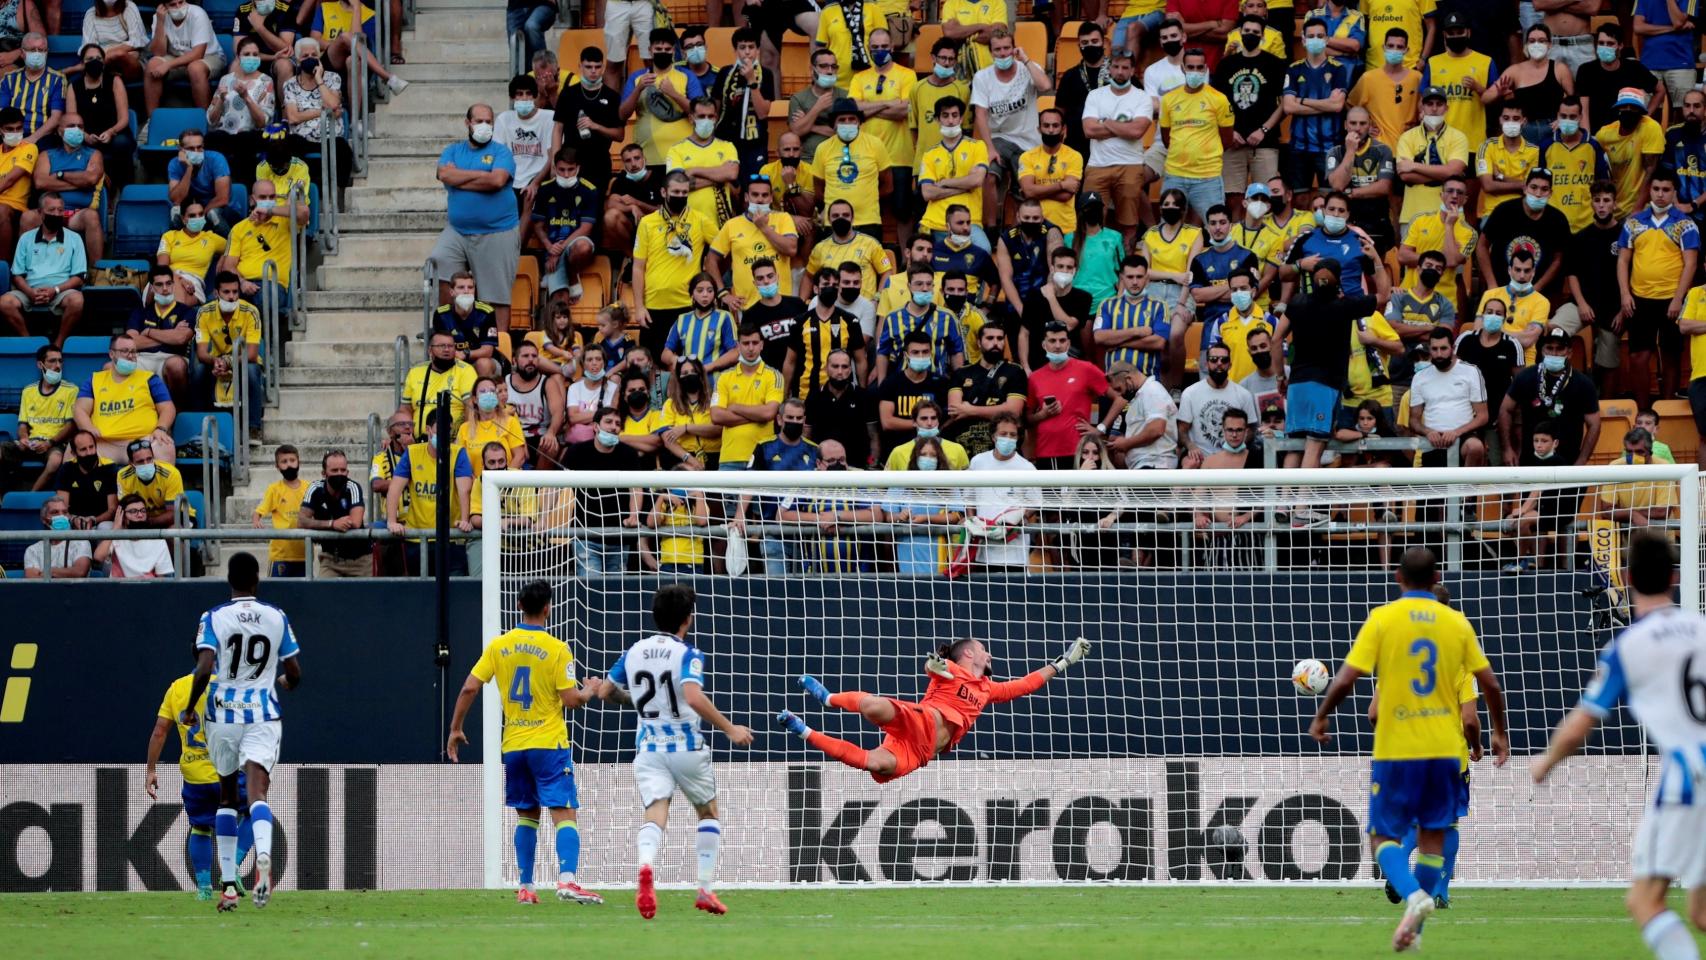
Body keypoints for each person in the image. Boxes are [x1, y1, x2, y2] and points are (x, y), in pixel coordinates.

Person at [1309, 546, 1508, 953]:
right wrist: (1499, 731)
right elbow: (1490, 684)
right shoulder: (1457, 624)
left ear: (1397, 578)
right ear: (1436, 579)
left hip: (1398, 750)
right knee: (1436, 836)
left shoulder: (1384, 619)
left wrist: (1323, 715)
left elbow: (1347, 680)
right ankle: (1422, 909)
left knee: (1382, 837)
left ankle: (1413, 895)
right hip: (1443, 753)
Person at [1532, 532, 1706, 960]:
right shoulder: (1702, 629)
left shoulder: (1628, 646)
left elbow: (1580, 726)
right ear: (1674, 577)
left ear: (1626, 577)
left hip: (1689, 778)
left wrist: (1544, 763)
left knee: (1644, 901)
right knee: (1701, 911)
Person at [591, 584, 752, 918]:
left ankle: (646, 866)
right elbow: (692, 697)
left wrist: (625, 697)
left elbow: (606, 691)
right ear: (687, 619)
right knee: (707, 813)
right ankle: (705, 889)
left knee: (656, 812)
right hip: (686, 746)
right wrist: (729, 728)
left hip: (649, 749)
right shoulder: (688, 654)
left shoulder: (633, 651)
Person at [445, 578, 601, 905]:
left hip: (514, 746)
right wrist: (591, 690)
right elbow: (571, 700)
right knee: (564, 811)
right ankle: (568, 880)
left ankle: (526, 886)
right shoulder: (558, 649)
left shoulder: (499, 646)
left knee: (527, 815)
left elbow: (469, 688)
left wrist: (456, 728)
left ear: (518, 606)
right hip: (548, 744)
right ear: (548, 608)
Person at [779, 636, 1092, 783]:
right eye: (984, 650)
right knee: (874, 705)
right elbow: (933, 668)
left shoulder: (987, 690)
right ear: (969, 653)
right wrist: (934, 665)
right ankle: (829, 698)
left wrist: (1062, 663)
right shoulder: (952, 670)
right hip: (921, 720)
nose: (990, 654)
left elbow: (1024, 685)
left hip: (920, 751)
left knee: (875, 764)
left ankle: (803, 730)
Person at [182, 552, 302, 910]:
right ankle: (263, 859)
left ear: (230, 580)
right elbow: (294, 671)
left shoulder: (213, 617)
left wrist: (190, 707)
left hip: (222, 716)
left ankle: (230, 884)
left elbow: (204, 668)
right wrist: (283, 681)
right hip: (263, 714)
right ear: (257, 579)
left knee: (226, 798)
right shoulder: (276, 616)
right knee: (257, 793)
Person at [146, 665, 255, 901]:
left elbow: (159, 731)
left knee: (200, 828)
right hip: (226, 770)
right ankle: (232, 867)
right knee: (255, 812)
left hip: (194, 773)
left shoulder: (177, 688)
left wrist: (151, 769)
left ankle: (204, 888)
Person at [1273, 256, 1381, 476]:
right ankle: (1302, 507)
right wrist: (1377, 262)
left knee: (1295, 445)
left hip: (1297, 384)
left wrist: (1279, 377)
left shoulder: (1297, 302)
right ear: (1338, 280)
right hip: (1324, 386)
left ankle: (1283, 506)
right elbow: (1384, 295)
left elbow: (1275, 340)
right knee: (1314, 447)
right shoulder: (1345, 306)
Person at [433, 104, 521, 338]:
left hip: (496, 230)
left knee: (496, 294)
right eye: (479, 121)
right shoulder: (452, 151)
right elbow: (444, 174)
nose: (484, 126)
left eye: (488, 121)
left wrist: (459, 178)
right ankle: (446, 333)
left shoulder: (502, 152)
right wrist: (483, 175)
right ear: (468, 123)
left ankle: (498, 347)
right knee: (441, 263)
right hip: (458, 230)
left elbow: (497, 181)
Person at [1618, 168, 1700, 410]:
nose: (1660, 195)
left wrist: (1678, 299)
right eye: (1656, 189)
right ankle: (1644, 413)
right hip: (1639, 299)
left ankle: (1666, 409)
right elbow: (1622, 260)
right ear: (1650, 191)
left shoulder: (1685, 224)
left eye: (1666, 190)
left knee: (1671, 356)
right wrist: (1624, 294)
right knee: (1638, 357)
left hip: (1671, 300)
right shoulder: (1633, 223)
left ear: (1674, 192)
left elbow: (1691, 263)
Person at [632, 171, 714, 358]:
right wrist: (638, 306)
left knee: (688, 365)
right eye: (675, 192)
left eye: (684, 193)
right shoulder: (647, 223)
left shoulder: (700, 220)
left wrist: (709, 274)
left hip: (688, 306)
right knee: (655, 366)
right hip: (654, 307)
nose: (680, 197)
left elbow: (720, 251)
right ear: (663, 192)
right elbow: (638, 267)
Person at [385, 412, 474, 575]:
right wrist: (391, 521)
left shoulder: (458, 453)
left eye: (448, 430)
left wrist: (464, 520)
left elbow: (464, 489)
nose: (445, 435)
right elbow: (395, 488)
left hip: (451, 540)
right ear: (428, 430)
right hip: (417, 540)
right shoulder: (412, 453)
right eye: (440, 430)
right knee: (420, 594)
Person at [1500, 326, 1602, 465]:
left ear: (1569, 353)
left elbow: (1594, 424)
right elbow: (1505, 409)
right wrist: (1507, 449)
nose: (1554, 353)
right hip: (1530, 462)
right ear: (1542, 351)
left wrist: (1582, 460)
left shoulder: (1583, 383)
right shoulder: (1526, 376)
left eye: (1560, 349)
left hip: (1568, 464)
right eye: (1549, 348)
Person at [1158, 48, 1234, 221]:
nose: (1195, 71)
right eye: (1190, 67)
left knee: (1217, 227)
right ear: (1183, 68)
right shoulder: (1169, 99)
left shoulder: (1219, 99)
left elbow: (1227, 140)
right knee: (1167, 227)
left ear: (1206, 69)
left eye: (1199, 68)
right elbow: (1166, 138)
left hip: (1208, 177)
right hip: (1175, 175)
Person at [75, 333, 177, 464]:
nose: (131, 355)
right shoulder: (95, 379)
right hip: (104, 443)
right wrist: (88, 427)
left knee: (165, 446)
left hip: (143, 442)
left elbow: (168, 407)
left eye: (133, 351)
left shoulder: (149, 378)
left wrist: (161, 428)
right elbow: (80, 409)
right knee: (72, 452)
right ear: (112, 354)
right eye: (125, 351)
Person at [1283, 18, 1354, 205]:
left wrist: (1303, 100)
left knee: (1328, 201)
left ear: (1327, 39)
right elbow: (1289, 107)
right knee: (1300, 201)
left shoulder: (1339, 69)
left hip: (1329, 147)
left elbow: (1337, 106)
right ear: (1304, 40)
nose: (1316, 39)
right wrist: (1325, 104)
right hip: (1299, 147)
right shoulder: (1293, 69)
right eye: (1311, 36)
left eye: (1320, 36)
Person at [3, 192, 86, 346]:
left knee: (77, 300)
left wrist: (54, 290)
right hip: (29, 290)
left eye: (60, 210)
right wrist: (29, 292)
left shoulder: (74, 239)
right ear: (40, 213)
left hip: (60, 291)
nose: (56, 214)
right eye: (51, 210)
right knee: (5, 302)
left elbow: (79, 277)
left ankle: (58, 344)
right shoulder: (26, 238)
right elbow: (17, 275)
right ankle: (28, 342)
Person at [1027, 321, 1110, 469]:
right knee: (1052, 493)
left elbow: (1119, 398)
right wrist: (1043, 414)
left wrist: (1100, 428)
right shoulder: (1034, 377)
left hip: (1080, 450)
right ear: (1043, 344)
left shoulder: (1086, 369)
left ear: (1068, 344)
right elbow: (1026, 419)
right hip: (1046, 450)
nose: (1058, 346)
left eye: (1062, 340)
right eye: (1052, 341)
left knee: (1079, 493)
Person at [707, 179, 799, 310]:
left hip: (782, 303)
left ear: (771, 198)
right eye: (755, 195)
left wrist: (763, 227)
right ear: (746, 197)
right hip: (746, 306)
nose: (760, 200)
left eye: (765, 195)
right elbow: (711, 260)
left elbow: (791, 249)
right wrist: (722, 293)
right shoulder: (732, 225)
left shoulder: (783, 218)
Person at [1478, 167, 1570, 293]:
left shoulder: (1558, 220)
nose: (1538, 194)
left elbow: (1558, 260)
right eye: (1533, 187)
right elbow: (1482, 246)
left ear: (1550, 193)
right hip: (1501, 289)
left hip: (1540, 294)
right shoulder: (1504, 211)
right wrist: (1492, 284)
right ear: (1525, 188)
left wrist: (1535, 290)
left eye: (1544, 189)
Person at [28, 113, 106, 259]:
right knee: (27, 217)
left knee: (91, 216)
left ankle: (97, 273)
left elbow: (91, 179)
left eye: (80, 127)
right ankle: (26, 270)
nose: (76, 130)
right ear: (59, 131)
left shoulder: (94, 154)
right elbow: (40, 182)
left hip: (77, 214)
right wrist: (79, 183)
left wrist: (60, 175)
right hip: (49, 212)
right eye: (71, 126)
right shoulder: (47, 155)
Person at [196, 273, 266, 437]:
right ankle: (200, 425)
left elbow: (252, 354)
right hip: (216, 360)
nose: (231, 297)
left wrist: (228, 361)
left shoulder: (251, 312)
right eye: (226, 292)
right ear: (216, 293)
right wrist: (216, 361)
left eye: (235, 292)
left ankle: (253, 428)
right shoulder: (204, 312)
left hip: (243, 360)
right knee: (199, 371)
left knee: (251, 371)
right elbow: (201, 353)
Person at [811, 97, 890, 242]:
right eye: (842, 120)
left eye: (852, 119)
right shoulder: (822, 149)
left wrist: (867, 198)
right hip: (833, 222)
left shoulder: (875, 144)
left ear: (859, 122)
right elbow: (819, 191)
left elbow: (888, 185)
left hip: (868, 221)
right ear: (833, 124)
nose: (847, 123)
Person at [1409, 326, 1489, 468]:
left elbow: (1483, 416)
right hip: (1433, 441)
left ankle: (1466, 490)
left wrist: (1456, 432)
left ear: (1452, 348)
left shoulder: (1471, 371)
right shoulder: (1420, 377)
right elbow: (1414, 421)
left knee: (1475, 447)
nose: (1439, 354)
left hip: (1464, 436)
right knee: (1438, 488)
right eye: (1434, 349)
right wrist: (1428, 432)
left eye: (1444, 348)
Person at [1394, 86, 1469, 233]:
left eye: (1439, 104)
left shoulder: (1458, 137)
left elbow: (1454, 171)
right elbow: (1406, 175)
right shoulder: (1407, 137)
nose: (1434, 109)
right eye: (1429, 104)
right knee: (1410, 256)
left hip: (1450, 215)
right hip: (1413, 215)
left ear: (1446, 108)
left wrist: (1414, 166)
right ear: (1422, 107)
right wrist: (1444, 175)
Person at [0, 344, 75, 491]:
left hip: (54, 443)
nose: (57, 365)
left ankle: (31, 494)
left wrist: (49, 443)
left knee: (55, 461)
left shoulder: (71, 390)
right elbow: (22, 424)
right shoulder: (29, 391)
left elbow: (70, 426)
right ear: (40, 364)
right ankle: (4, 495)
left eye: (60, 361)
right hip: (31, 442)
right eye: (52, 361)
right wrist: (23, 438)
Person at [710, 323, 783, 470]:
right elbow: (716, 416)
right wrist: (758, 416)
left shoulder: (774, 376)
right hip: (730, 457)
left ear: (761, 345)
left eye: (755, 343)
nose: (750, 348)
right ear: (738, 346)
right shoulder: (724, 377)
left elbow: (769, 413)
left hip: (763, 457)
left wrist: (735, 407)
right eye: (746, 343)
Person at [205, 36, 275, 186]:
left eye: (255, 55)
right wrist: (221, 100)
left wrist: (246, 98)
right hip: (226, 134)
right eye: (247, 54)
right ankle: (216, 189)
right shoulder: (225, 80)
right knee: (212, 139)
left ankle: (246, 191)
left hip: (251, 135)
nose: (251, 58)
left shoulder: (266, 82)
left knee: (245, 140)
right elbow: (211, 119)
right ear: (238, 57)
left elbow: (262, 122)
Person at [875, 265, 964, 383]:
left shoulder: (947, 317)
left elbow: (956, 352)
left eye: (929, 284)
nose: (924, 288)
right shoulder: (893, 318)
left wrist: (958, 384)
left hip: (936, 385)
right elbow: (883, 353)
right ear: (909, 286)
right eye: (919, 284)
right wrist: (882, 384)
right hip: (902, 385)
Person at [786, 266, 867, 395]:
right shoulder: (800, 322)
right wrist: (785, 394)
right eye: (826, 284)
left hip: (842, 394)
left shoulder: (850, 321)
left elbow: (860, 360)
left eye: (835, 285)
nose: (831, 288)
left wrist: (863, 393)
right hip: (805, 393)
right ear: (816, 289)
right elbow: (790, 362)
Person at [1326, 107, 1396, 254]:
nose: (1358, 128)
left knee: (1377, 267)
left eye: (1363, 124)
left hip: (1377, 219)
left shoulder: (1383, 150)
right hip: (1347, 221)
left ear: (1370, 125)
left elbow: (1384, 187)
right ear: (1345, 125)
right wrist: (1351, 151)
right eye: (1353, 123)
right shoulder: (1335, 152)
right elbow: (1338, 185)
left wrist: (1350, 192)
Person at [553, 47, 621, 194]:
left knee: (595, 208)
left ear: (603, 67)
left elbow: (619, 135)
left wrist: (596, 126)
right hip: (570, 160)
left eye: (597, 67)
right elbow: (558, 128)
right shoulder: (568, 93)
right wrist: (555, 161)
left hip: (599, 160)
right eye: (588, 67)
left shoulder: (612, 96)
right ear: (580, 66)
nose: (593, 71)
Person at [1179, 342, 1257, 466]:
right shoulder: (1190, 393)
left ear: (1230, 365)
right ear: (1206, 364)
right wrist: (1191, 446)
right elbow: (1182, 430)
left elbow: (1252, 429)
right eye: (1214, 359)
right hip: (1200, 456)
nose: (1219, 363)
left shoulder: (1243, 395)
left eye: (1224, 360)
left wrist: (1236, 448)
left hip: (1233, 455)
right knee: (1189, 463)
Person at [143, 0, 224, 117]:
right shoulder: (159, 16)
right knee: (153, 65)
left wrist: (168, 65)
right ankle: (152, 120)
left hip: (209, 56)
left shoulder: (198, 14)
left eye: (181, 2)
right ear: (164, 6)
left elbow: (198, 54)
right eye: (172, 4)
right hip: (177, 56)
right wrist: (160, 22)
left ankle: (205, 120)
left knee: (195, 68)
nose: (178, 7)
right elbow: (158, 52)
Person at [70, 45, 136, 190]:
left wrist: (111, 132)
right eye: (90, 59)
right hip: (86, 134)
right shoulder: (74, 86)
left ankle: (124, 190)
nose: (95, 61)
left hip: (114, 132)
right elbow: (71, 120)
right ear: (82, 63)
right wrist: (85, 136)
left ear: (104, 61)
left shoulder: (114, 80)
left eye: (99, 58)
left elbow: (124, 118)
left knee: (122, 143)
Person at [1095, 255, 1171, 379]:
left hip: (1148, 381)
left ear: (1147, 279)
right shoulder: (1107, 305)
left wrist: (1119, 343)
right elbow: (1099, 337)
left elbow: (1158, 342)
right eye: (1130, 277)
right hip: (1114, 383)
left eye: (1139, 277)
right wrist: (1137, 331)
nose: (1135, 282)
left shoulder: (1160, 306)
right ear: (1121, 278)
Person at [877, 330, 950, 458]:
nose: (921, 356)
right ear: (906, 355)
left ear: (931, 353)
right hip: (898, 452)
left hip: (933, 453)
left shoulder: (941, 383)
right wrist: (924, 426)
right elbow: (887, 422)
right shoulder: (891, 384)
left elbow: (946, 419)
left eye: (925, 352)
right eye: (915, 352)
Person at [295, 449, 367, 578]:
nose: (339, 474)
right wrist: (332, 524)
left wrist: (317, 524)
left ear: (347, 472)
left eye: (343, 470)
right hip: (330, 559)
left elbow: (355, 522)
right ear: (324, 473)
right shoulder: (315, 488)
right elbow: (301, 521)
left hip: (360, 560)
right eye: (334, 471)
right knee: (323, 595)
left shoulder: (353, 487)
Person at [1018, 108, 1084, 248]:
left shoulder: (1074, 156)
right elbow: (1029, 192)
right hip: (1034, 226)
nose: (1051, 130)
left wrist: (1036, 192)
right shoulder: (1027, 157)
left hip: (1066, 228)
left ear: (1063, 128)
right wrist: (1061, 185)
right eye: (1046, 126)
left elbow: (1066, 195)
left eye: (1055, 125)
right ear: (1039, 129)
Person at [1576, 23, 1658, 132]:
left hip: (1628, 134)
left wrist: (1646, 116)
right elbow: (1584, 110)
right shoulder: (1586, 70)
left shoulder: (1634, 68)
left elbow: (1660, 90)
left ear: (1620, 45)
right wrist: (1588, 139)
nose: (1605, 47)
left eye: (1610, 44)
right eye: (1601, 43)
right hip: (1597, 134)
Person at [1348, 27, 1420, 150]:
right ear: (1383, 48)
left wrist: (1418, 126)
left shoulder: (1417, 78)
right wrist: (1366, 127)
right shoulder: (1368, 78)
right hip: (1378, 148)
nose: (1394, 50)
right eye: (1390, 46)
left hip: (1409, 148)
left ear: (1406, 50)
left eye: (1399, 47)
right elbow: (1350, 105)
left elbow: (1425, 111)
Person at [1598, 87, 1665, 220]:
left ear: (1641, 111)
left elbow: (1650, 170)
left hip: (1641, 207)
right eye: (1624, 107)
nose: (1628, 111)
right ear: (1618, 110)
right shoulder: (1604, 135)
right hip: (1613, 205)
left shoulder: (1650, 128)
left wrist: (1638, 208)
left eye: (1633, 108)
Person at [802, 349, 876, 466]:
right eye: (835, 366)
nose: (840, 371)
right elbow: (806, 436)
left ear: (850, 370)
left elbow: (873, 436)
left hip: (856, 468)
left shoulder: (863, 396)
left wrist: (872, 465)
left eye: (845, 367)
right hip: (822, 469)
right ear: (826, 368)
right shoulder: (814, 397)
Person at [494, 74, 555, 213]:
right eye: (519, 94)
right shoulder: (504, 119)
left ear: (535, 96)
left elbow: (552, 156)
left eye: (528, 93)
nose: (524, 98)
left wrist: (536, 183)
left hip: (539, 178)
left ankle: (519, 236)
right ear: (512, 97)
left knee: (530, 197)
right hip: (511, 180)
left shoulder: (549, 118)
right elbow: (499, 155)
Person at [1106, 358, 1180, 469]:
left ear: (1128, 379)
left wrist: (1126, 443)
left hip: (1154, 466)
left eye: (1119, 388)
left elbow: (1156, 429)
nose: (1119, 394)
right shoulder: (1140, 396)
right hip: (1146, 465)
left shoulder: (1152, 391)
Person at [251, 444, 306, 577]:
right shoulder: (274, 489)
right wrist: (256, 520)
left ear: (299, 462)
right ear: (277, 466)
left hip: (304, 555)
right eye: (284, 461)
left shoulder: (309, 487)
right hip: (280, 556)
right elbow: (259, 511)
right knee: (276, 593)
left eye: (292, 460)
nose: (289, 465)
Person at [1633, 0, 1697, 108]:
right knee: (1646, 111)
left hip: (1681, 62)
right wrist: (1672, 28)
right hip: (1649, 62)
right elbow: (1638, 27)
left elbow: (1677, 22)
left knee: (1685, 112)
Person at [603, 143, 661, 263]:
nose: (633, 164)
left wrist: (637, 203)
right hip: (632, 226)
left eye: (637, 158)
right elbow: (610, 204)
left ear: (644, 159)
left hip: (657, 226)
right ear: (624, 164)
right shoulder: (620, 181)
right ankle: (633, 259)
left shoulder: (658, 177)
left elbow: (664, 211)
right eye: (628, 161)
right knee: (610, 216)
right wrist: (632, 208)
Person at [93, 493, 174, 576]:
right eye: (133, 511)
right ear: (122, 516)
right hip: (119, 588)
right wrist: (115, 529)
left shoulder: (159, 542)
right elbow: (98, 557)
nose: (140, 515)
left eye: (143, 511)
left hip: (148, 588)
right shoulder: (115, 539)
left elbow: (162, 581)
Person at [458, 377, 527, 470]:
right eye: (483, 391)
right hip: (476, 483)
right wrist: (478, 482)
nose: (488, 394)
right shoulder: (464, 428)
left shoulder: (510, 422)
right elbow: (461, 463)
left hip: (506, 482)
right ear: (474, 399)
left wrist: (502, 481)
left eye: (492, 391)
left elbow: (520, 457)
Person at [23, 498, 91, 579]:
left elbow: (80, 572)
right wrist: (65, 573)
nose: (61, 516)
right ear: (44, 519)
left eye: (65, 512)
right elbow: (32, 578)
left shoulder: (81, 542)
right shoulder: (32, 550)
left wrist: (50, 571)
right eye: (55, 512)